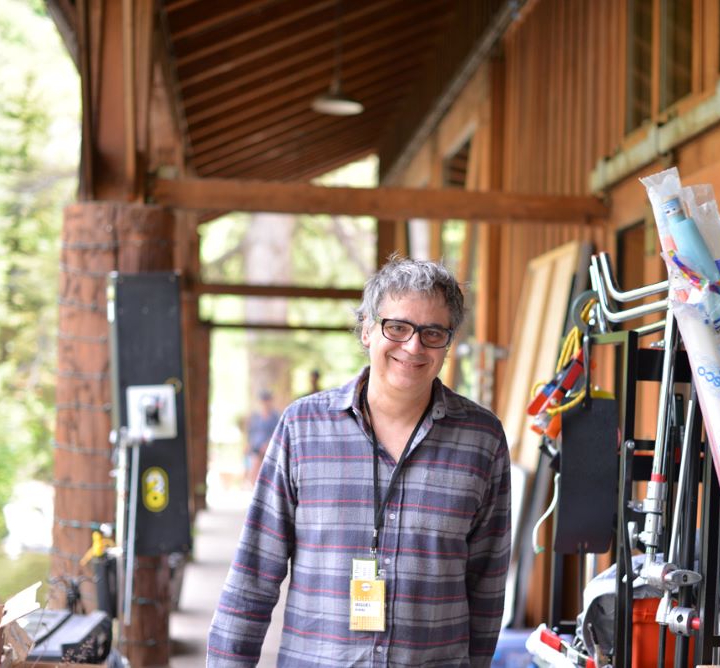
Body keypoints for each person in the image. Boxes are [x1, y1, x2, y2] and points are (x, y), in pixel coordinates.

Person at [207, 255, 512, 667]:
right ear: (367, 328)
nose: (413, 346)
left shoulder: (482, 439)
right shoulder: (303, 428)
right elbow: (254, 574)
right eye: (398, 327)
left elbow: (487, 587)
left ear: (448, 343)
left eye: (433, 332)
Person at [245, 390, 280, 485]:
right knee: (253, 466)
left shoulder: (275, 417)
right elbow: (251, 432)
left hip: (269, 449)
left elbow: (277, 433)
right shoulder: (256, 417)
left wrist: (268, 444)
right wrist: (248, 444)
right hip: (256, 448)